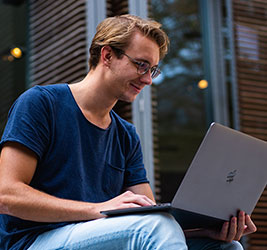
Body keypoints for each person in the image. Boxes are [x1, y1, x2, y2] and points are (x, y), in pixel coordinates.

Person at [0, 14, 256, 250]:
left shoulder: (126, 134)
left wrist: (204, 231)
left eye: (153, 69)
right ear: (108, 55)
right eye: (141, 65)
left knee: (226, 247)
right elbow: (7, 195)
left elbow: (150, 217)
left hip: (97, 236)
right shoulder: (41, 103)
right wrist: (98, 209)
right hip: (33, 241)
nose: (148, 79)